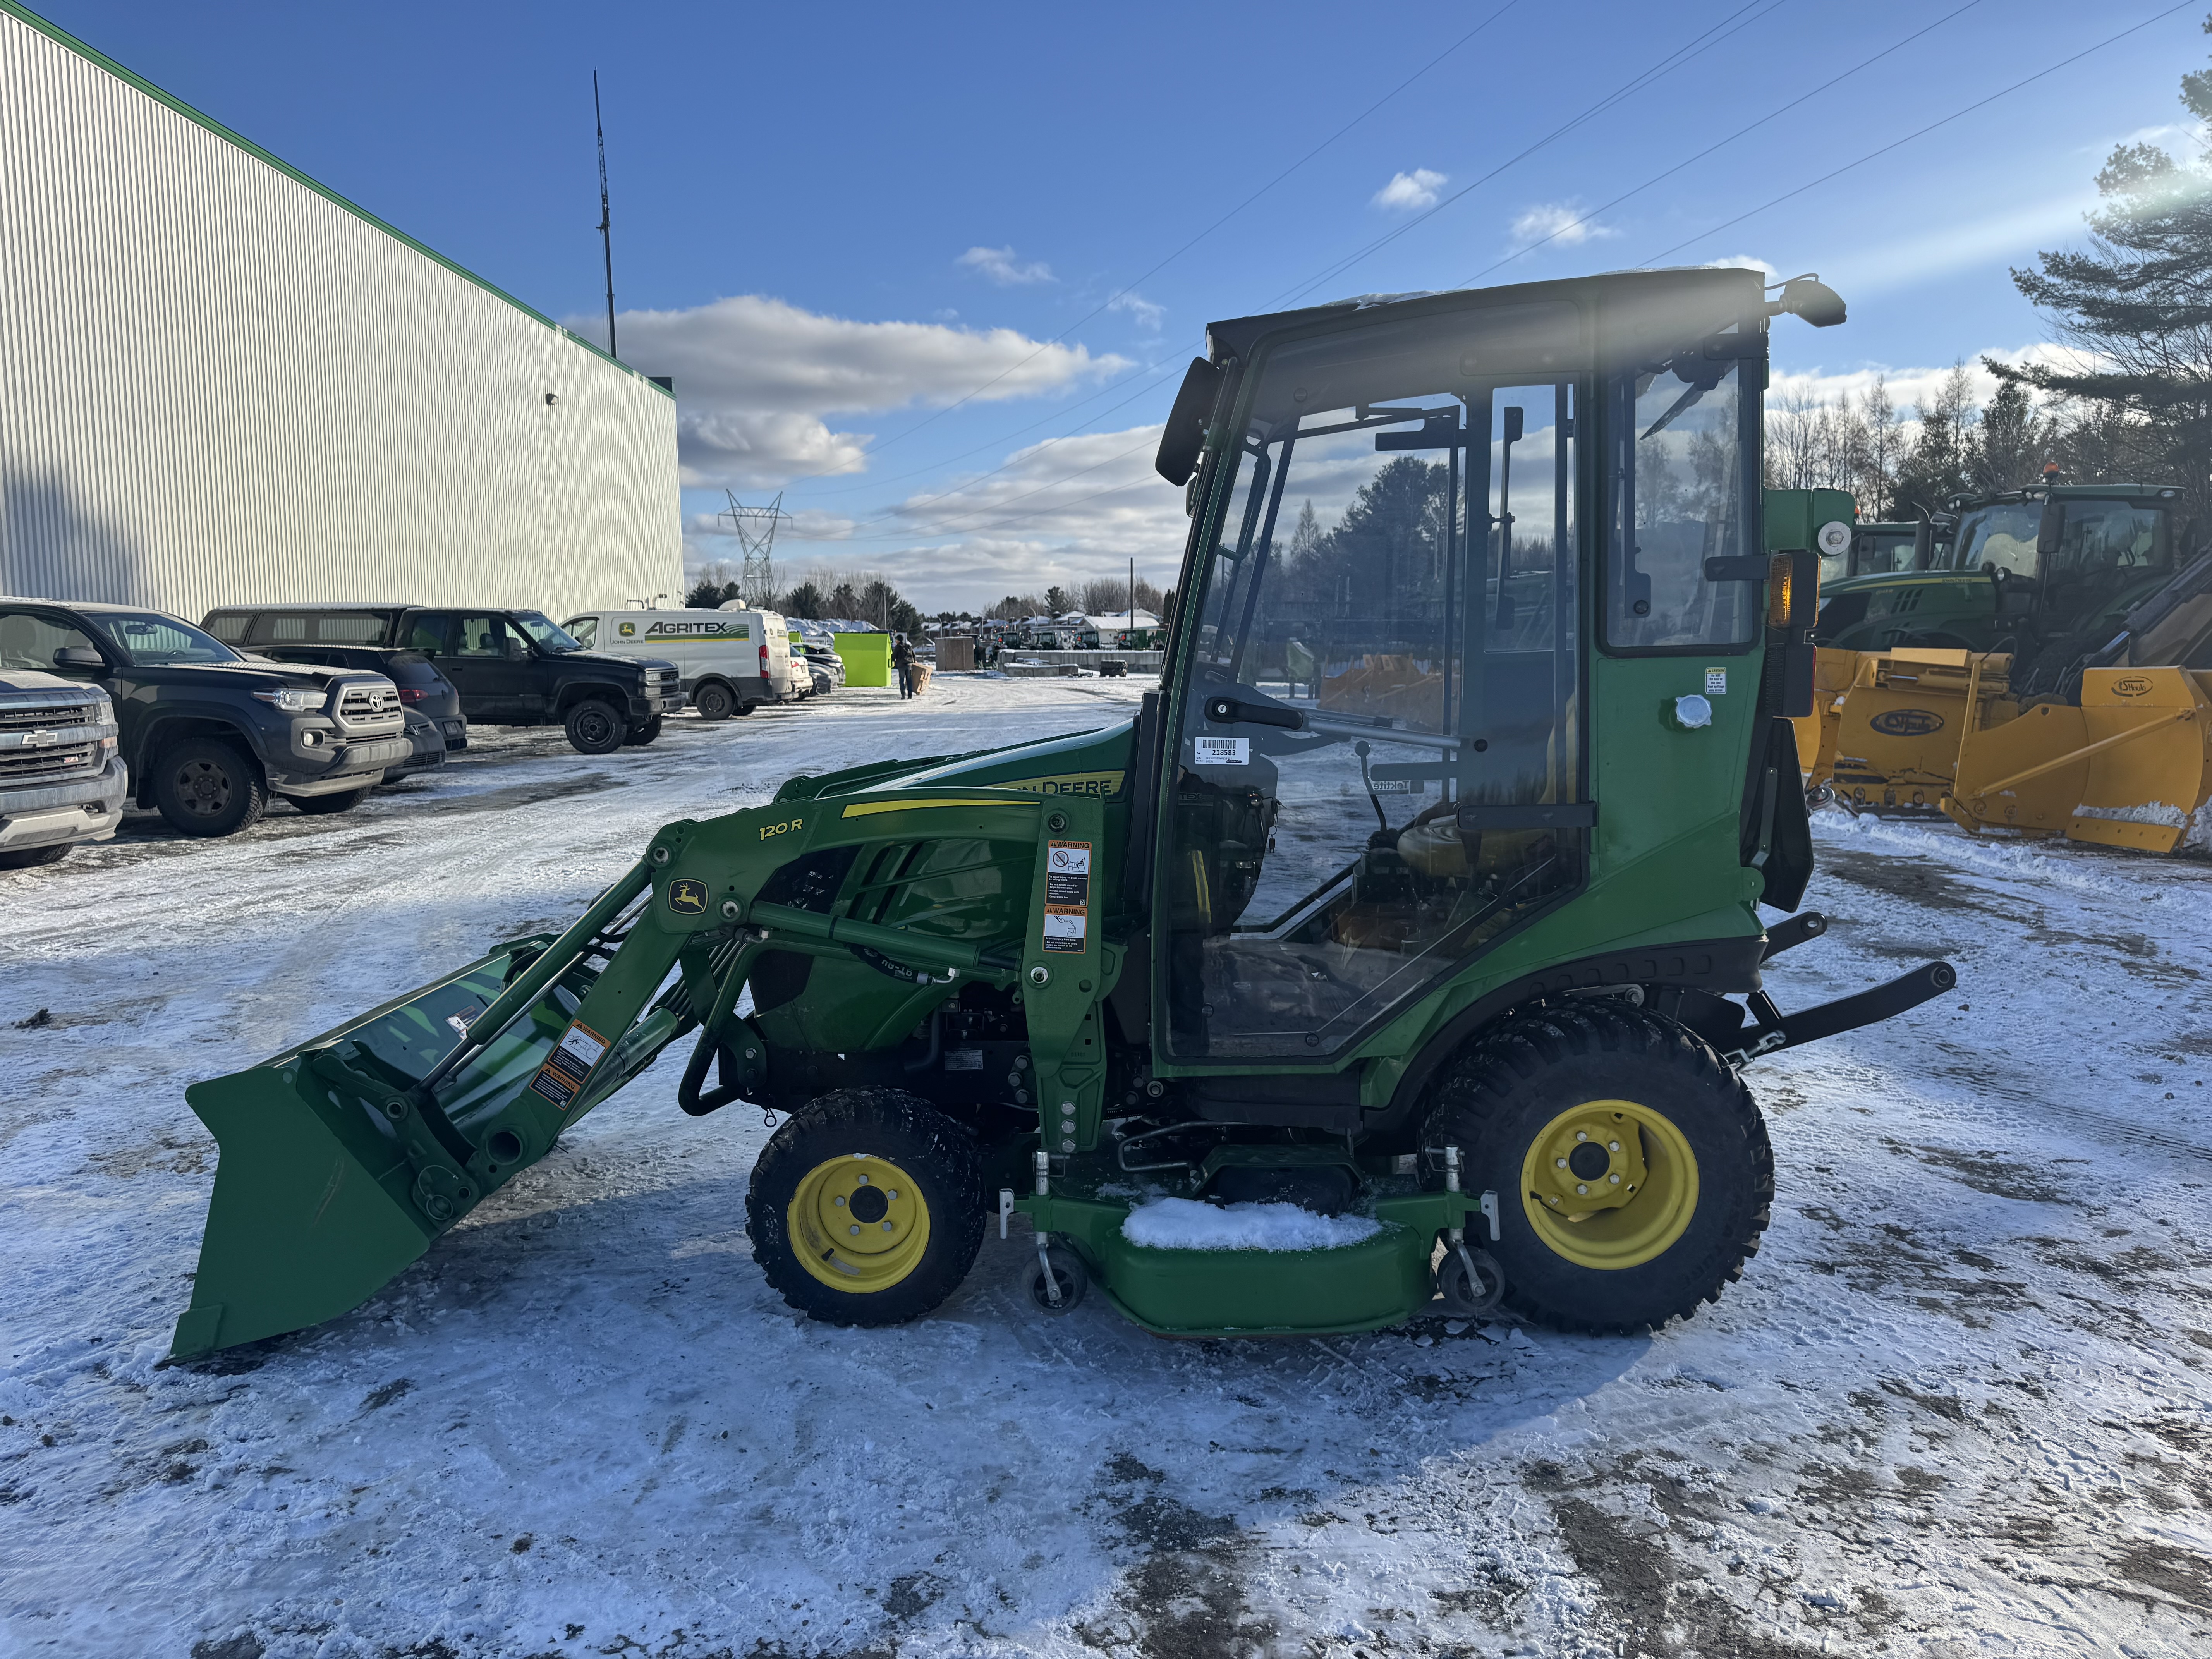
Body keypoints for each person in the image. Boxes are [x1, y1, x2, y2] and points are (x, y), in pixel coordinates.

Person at [892, 633, 915, 699]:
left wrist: (892, 662)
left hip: (902, 666)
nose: (896, 641)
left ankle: (903, 695)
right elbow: (913, 655)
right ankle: (910, 695)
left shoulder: (898, 647)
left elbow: (894, 657)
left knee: (902, 680)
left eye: (896, 640)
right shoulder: (907, 646)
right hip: (909, 665)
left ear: (899, 640)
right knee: (909, 680)